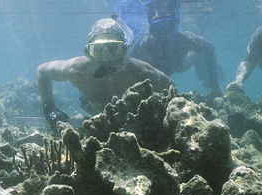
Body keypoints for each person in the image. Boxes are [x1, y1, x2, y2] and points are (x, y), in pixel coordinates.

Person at [37, 17, 174, 133]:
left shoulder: (141, 71)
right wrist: (50, 109)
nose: (106, 58)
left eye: (114, 49)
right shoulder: (76, 69)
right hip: (89, 107)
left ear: (125, 51)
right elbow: (42, 71)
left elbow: (170, 86)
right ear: (88, 53)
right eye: (98, 50)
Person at [131, 0, 222, 96]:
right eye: (157, 28)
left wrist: (213, 84)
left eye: (168, 26)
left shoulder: (184, 38)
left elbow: (209, 48)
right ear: (151, 29)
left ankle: (198, 60)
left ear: (175, 24)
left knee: (196, 55)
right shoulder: (144, 45)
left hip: (180, 64)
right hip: (161, 70)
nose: (163, 34)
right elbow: (131, 65)